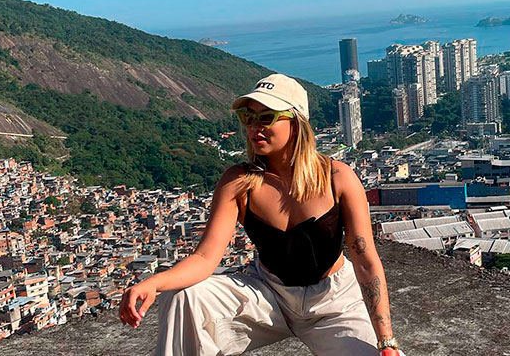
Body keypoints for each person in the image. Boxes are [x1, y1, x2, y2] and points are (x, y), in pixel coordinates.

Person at [119, 73, 401, 355]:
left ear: (296, 122)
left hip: (333, 301)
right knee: (182, 296)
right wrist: (154, 283)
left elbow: (366, 261)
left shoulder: (336, 178)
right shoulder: (239, 183)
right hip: (268, 295)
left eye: (266, 117)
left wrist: (386, 341)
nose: (255, 127)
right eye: (248, 117)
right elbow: (205, 258)